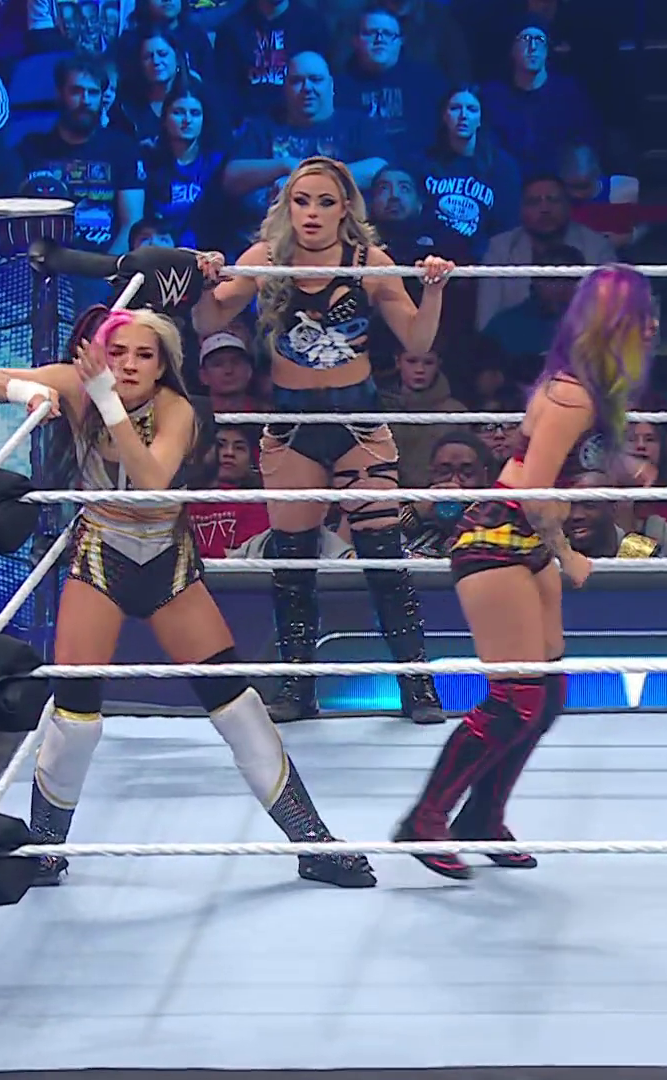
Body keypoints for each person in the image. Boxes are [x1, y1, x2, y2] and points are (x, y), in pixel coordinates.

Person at [0, 308, 374, 889]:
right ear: (99, 353)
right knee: (76, 715)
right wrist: (29, 391)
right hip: (100, 552)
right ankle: (46, 850)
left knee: (237, 705)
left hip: (165, 558)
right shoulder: (78, 383)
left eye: (144, 355)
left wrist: (104, 399)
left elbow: (153, 481)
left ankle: (313, 842)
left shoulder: (177, 409)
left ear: (162, 367)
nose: (129, 364)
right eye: (118, 351)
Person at [391, 263, 660, 880]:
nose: (650, 328)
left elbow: (563, 468)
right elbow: (535, 491)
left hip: (527, 540)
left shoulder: (589, 390)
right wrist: (568, 554)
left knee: (547, 694)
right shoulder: (572, 393)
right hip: (498, 540)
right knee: (514, 699)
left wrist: (623, 473)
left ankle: (483, 816)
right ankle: (424, 820)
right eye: (640, 316)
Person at [193, 157, 454, 725]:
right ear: (287, 207)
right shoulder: (265, 259)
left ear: (345, 209)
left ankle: (418, 688)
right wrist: (205, 282)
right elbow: (209, 321)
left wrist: (432, 289)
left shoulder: (369, 262)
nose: (311, 213)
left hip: (358, 422)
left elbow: (416, 338)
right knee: (292, 564)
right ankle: (297, 688)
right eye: (301, 201)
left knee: (385, 558)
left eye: (325, 202)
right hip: (292, 427)